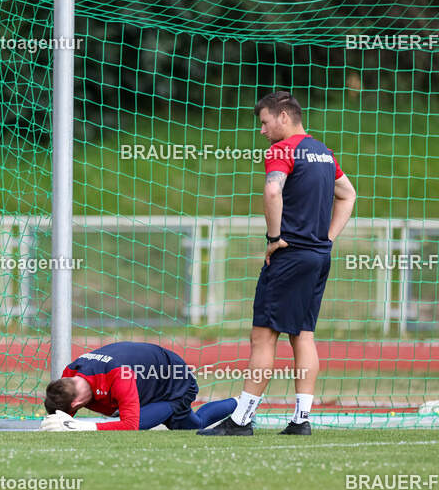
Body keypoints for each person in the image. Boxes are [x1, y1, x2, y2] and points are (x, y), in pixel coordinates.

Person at [199, 92, 355, 436]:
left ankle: (240, 421)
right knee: (303, 335)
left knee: (263, 337)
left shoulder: (283, 150)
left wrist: (273, 239)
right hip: (318, 256)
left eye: (265, 122)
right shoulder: (325, 153)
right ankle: (300, 420)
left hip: (290, 255)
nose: (262, 130)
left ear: (284, 118)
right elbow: (348, 194)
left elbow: (273, 192)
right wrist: (327, 238)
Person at [39, 342, 237, 431]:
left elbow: (130, 425)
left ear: (78, 402)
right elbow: (64, 414)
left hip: (175, 384)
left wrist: (83, 427)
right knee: (122, 414)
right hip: (146, 381)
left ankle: (241, 403)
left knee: (195, 424)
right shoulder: (69, 374)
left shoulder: (119, 376)